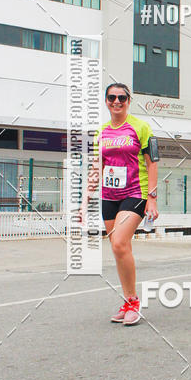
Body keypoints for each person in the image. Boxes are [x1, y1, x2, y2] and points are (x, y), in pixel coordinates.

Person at [81, 83, 159, 325]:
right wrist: (85, 200)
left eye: (122, 97)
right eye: (112, 97)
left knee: (119, 242)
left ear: (128, 100)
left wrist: (152, 199)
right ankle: (128, 300)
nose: (117, 101)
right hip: (109, 196)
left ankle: (133, 302)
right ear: (106, 101)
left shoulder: (141, 127)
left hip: (135, 192)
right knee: (120, 249)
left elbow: (152, 162)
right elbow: (97, 166)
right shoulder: (100, 132)